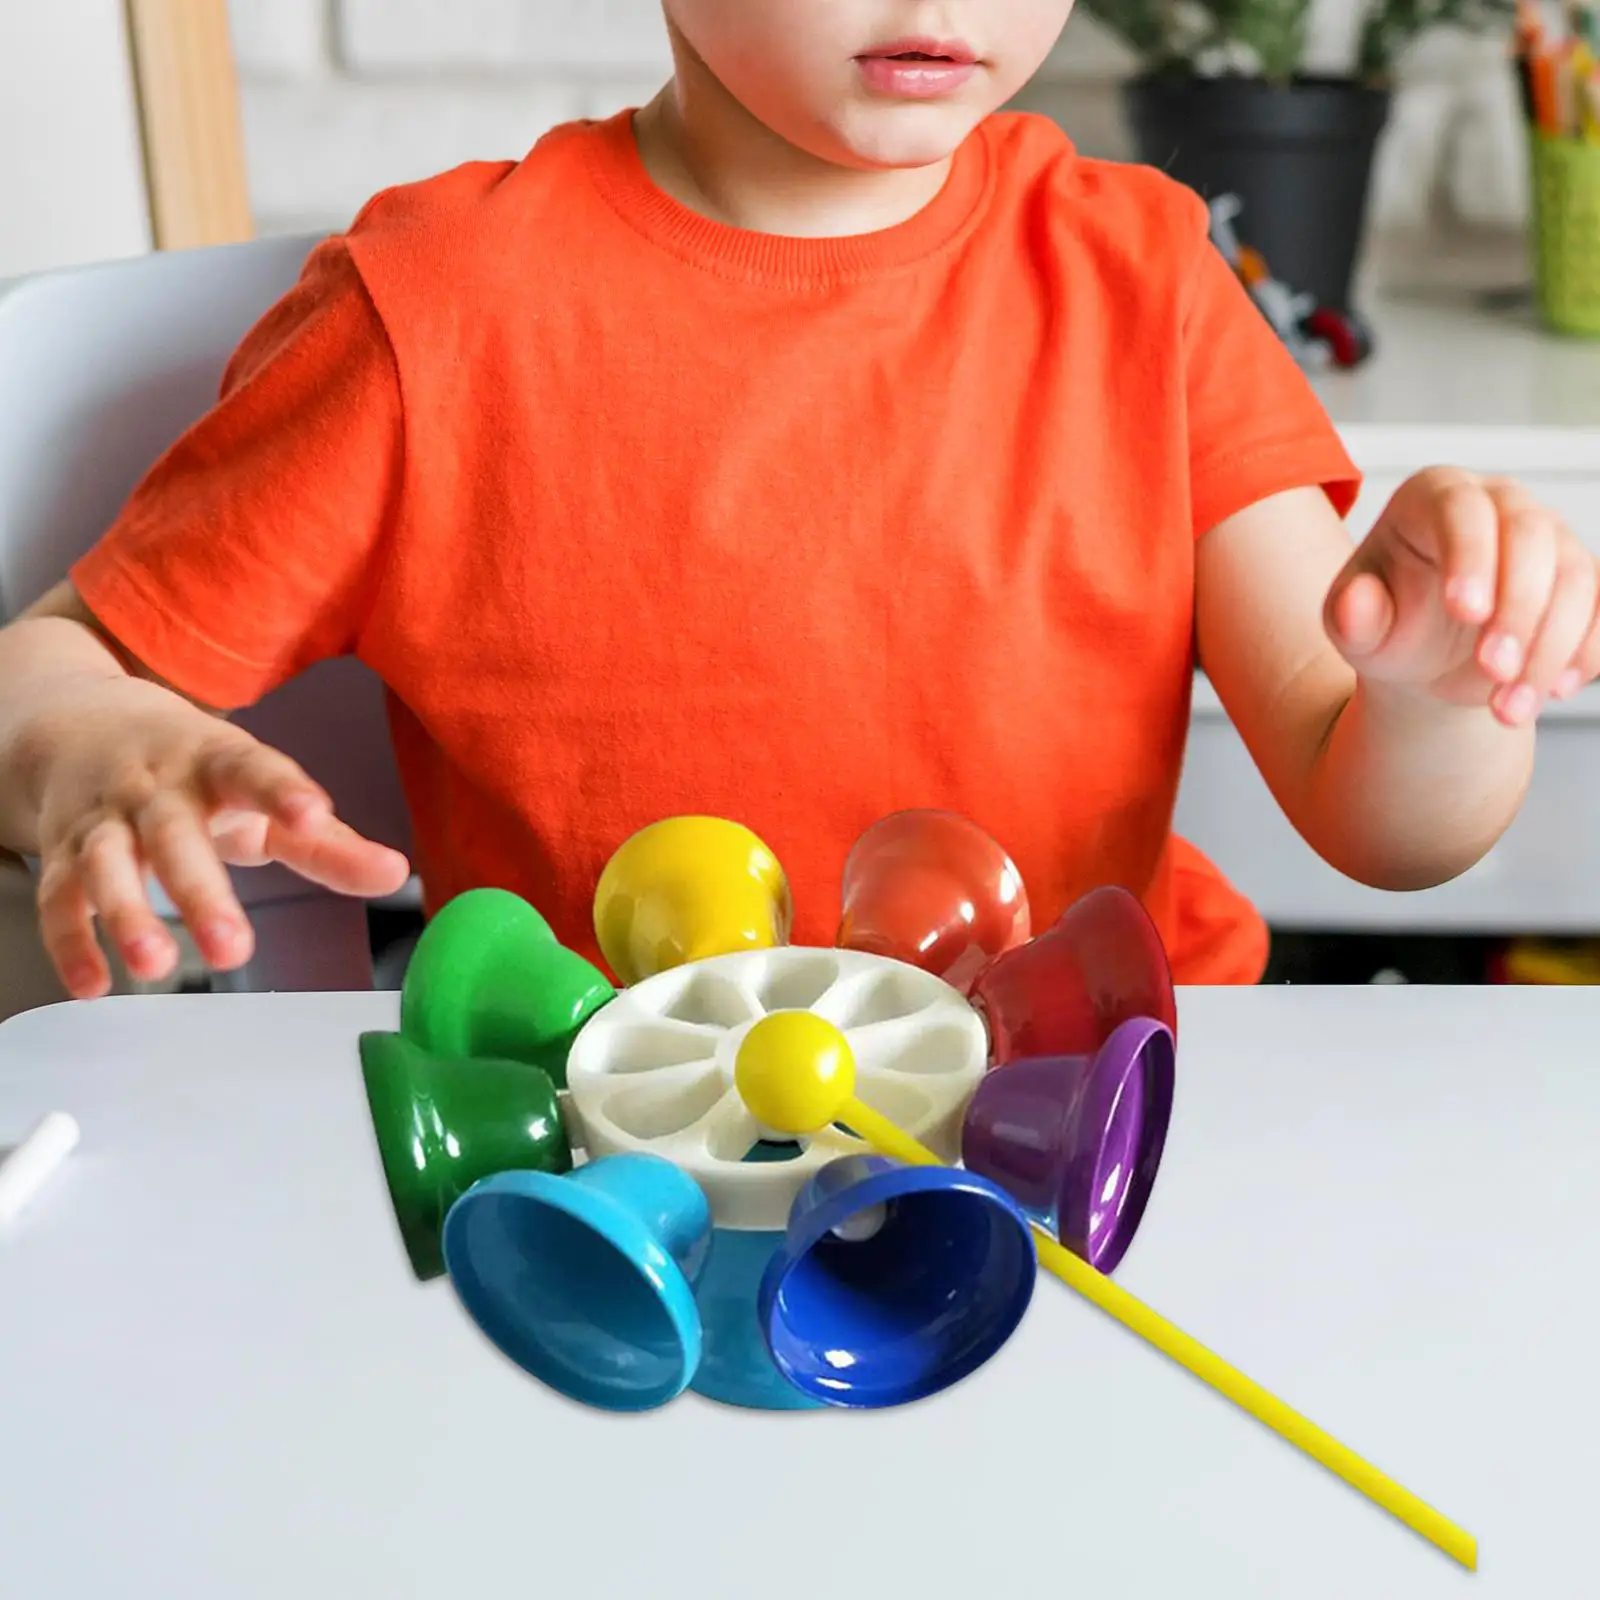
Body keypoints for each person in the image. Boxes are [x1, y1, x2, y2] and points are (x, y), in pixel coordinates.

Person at [0, 1, 1593, 1003]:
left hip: (1098, 1118)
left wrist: (1446, 692)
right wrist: (87, 749)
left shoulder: (1142, 280)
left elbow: (1385, 827)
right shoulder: (435, 313)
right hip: (619, 1173)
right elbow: (54, 665)